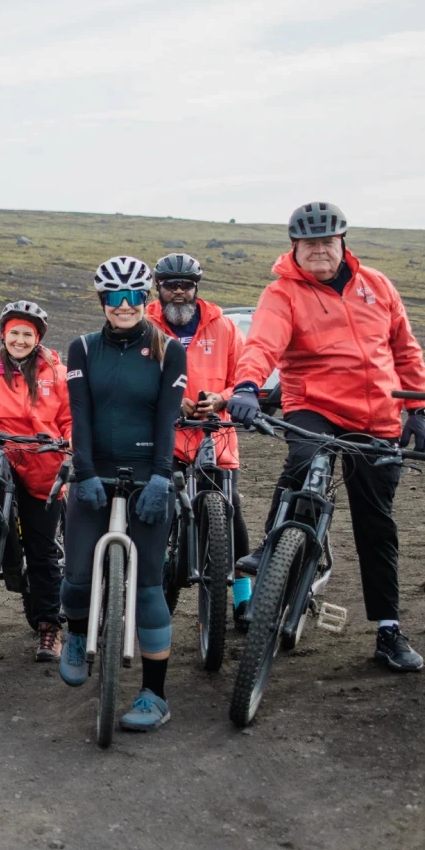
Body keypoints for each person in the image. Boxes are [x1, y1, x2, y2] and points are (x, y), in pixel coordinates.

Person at [227, 202, 425, 674]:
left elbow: (405, 348)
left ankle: (388, 630)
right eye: (309, 244)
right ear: (294, 247)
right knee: (304, 458)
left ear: (342, 243)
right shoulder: (283, 293)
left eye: (327, 242)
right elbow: (262, 343)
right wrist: (245, 386)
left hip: (378, 415)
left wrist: (417, 409)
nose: (318, 251)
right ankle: (273, 545)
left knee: (376, 524)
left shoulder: (377, 286)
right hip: (313, 403)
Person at [57, 257, 191, 731]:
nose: (124, 306)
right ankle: (76, 634)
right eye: (114, 297)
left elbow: (166, 418)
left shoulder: (168, 350)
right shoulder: (83, 349)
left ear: (146, 300)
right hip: (95, 471)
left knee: (149, 588)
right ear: (102, 301)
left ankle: (155, 695)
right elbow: (80, 414)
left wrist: (161, 477)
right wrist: (85, 472)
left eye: (134, 296)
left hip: (147, 474)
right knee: (75, 576)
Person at [146, 252, 253, 629]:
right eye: (170, 285)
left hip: (215, 436)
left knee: (232, 508)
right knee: (154, 509)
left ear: (196, 288)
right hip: (165, 435)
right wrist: (172, 401)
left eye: (185, 285)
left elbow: (244, 376)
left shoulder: (223, 327)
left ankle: (243, 598)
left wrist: (222, 398)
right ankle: (154, 578)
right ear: (158, 287)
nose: (178, 292)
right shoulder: (145, 326)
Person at [0, 300, 71, 662]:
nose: (19, 339)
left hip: (42, 463)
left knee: (42, 548)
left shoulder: (56, 374)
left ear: (38, 338)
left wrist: (70, 441)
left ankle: (50, 626)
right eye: (14, 332)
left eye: (27, 334)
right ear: (3, 334)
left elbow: (68, 418)